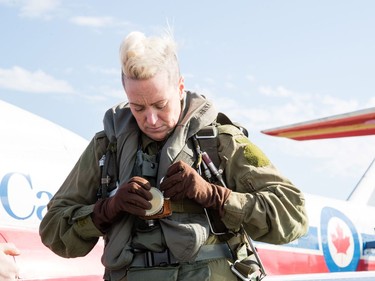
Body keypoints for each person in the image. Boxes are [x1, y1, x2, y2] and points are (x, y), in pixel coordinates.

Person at [39, 30, 308, 281]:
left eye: (160, 104)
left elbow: (293, 216)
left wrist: (216, 196)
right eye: (138, 107)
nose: (151, 119)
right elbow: (53, 230)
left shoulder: (221, 142)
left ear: (180, 88)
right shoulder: (107, 147)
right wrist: (106, 210)